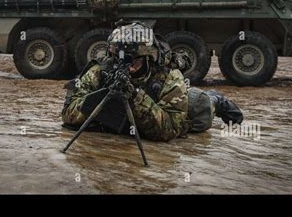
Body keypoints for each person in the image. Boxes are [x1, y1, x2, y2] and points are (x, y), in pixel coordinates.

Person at [62, 22, 243, 142]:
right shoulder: (100, 71)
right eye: (120, 59)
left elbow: (170, 130)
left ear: (148, 59)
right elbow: (68, 114)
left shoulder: (169, 77)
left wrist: (135, 97)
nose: (125, 66)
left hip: (165, 107)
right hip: (126, 122)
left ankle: (216, 100)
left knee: (199, 107)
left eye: (134, 61)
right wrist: (101, 100)